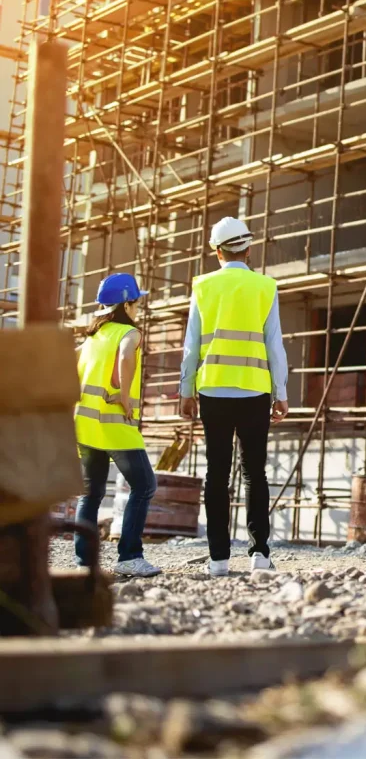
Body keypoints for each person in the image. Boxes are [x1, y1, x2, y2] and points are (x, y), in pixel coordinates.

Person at [179, 217, 289, 576]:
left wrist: (185, 389)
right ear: (249, 248)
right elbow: (275, 344)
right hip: (255, 390)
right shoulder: (264, 286)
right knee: (255, 473)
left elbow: (191, 344)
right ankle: (259, 554)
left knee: (216, 473)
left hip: (212, 389)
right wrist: (281, 391)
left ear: (217, 251)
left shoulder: (203, 286)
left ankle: (218, 560)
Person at [74, 273, 162, 577]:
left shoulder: (92, 337)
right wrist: (124, 397)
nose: (138, 308)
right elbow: (126, 357)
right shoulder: (130, 333)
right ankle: (129, 556)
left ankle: (84, 564)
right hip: (115, 425)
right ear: (127, 302)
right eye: (136, 302)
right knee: (145, 485)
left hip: (85, 426)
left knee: (91, 494)